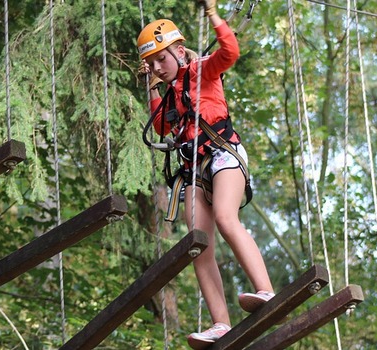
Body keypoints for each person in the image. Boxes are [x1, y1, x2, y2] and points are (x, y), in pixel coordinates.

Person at [137, 1, 276, 348]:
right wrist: (153, 88)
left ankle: (266, 290)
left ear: (179, 51)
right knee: (198, 245)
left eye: (161, 59)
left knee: (227, 218)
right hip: (194, 169)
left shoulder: (202, 70)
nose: (157, 67)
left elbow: (229, 52)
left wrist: (213, 15)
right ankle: (220, 323)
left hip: (223, 154)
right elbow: (161, 127)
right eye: (151, 63)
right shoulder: (169, 91)